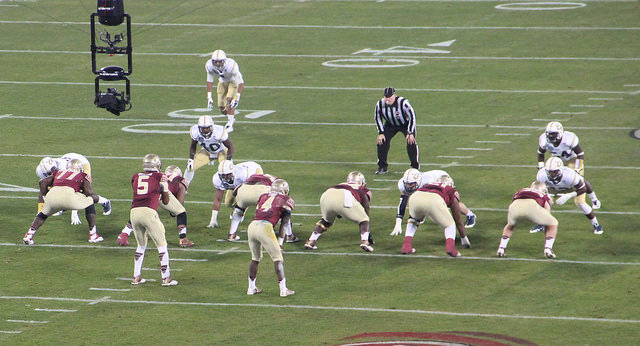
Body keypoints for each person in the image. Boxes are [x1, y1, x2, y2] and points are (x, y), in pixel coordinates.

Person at [23, 159, 109, 245]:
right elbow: (89, 192)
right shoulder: (82, 175)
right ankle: (93, 234)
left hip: (52, 197)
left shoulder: (59, 172)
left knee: (43, 214)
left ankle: (29, 235)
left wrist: (45, 196)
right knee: (89, 201)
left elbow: (42, 182)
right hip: (70, 198)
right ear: (80, 168)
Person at [129, 154, 178, 287]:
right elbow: (166, 201)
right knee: (162, 245)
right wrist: (165, 191)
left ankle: (136, 277)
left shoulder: (136, 176)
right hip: (148, 212)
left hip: (134, 212)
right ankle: (166, 278)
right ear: (157, 165)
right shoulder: (160, 176)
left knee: (140, 245)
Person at [117, 165, 194, 248]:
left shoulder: (160, 176)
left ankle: (124, 234)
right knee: (181, 211)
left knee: (140, 210)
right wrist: (173, 212)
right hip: (164, 192)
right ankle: (183, 239)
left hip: (152, 191)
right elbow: (180, 202)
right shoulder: (181, 180)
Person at [390, 168, 476, 236]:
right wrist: (398, 222)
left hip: (441, 178)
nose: (408, 186)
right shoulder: (404, 185)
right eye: (407, 184)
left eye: (411, 184)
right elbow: (403, 202)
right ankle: (421, 216)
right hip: (428, 185)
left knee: (449, 203)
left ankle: (470, 215)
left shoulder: (427, 181)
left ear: (418, 181)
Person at [246, 179, 295, 297]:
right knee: (278, 258)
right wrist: (280, 242)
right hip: (265, 227)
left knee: (255, 258)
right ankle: (283, 290)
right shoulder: (286, 200)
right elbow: (285, 223)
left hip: (252, 226)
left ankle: (251, 288)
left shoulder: (263, 196)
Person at [401, 174, 471, 257]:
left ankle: (406, 246)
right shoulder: (450, 190)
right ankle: (451, 248)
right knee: (450, 225)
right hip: (434, 199)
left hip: (415, 196)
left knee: (413, 220)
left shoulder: (428, 184)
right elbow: (458, 220)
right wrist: (464, 239)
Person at [304, 171, 374, 252]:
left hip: (326, 195)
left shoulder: (341, 184)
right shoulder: (362, 188)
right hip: (345, 196)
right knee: (364, 219)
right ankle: (365, 242)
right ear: (362, 182)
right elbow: (366, 208)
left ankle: (311, 241)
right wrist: (367, 232)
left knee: (326, 221)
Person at [537, 121, 600, 210]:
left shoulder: (569, 139)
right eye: (549, 134)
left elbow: (580, 153)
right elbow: (540, 153)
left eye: (553, 134)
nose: (550, 136)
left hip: (572, 160)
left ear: (560, 133)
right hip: (556, 161)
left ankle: (594, 199)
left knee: (580, 180)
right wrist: (541, 166)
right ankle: (551, 195)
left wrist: (578, 168)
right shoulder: (544, 140)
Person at [35, 153, 111, 224]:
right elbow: (43, 188)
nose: (52, 173)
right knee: (54, 188)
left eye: (53, 171)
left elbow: (76, 190)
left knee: (86, 192)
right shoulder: (41, 171)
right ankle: (60, 208)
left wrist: (74, 213)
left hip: (80, 164)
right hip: (69, 161)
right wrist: (40, 212)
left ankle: (105, 202)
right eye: (49, 173)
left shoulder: (64, 167)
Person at [536, 157, 603, 234]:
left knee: (580, 203)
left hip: (571, 188)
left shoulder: (570, 176)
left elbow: (583, 188)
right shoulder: (542, 175)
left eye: (554, 171)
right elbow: (540, 189)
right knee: (541, 201)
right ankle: (541, 224)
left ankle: (596, 225)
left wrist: (568, 196)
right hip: (553, 188)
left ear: (560, 169)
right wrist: (546, 195)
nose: (552, 174)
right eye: (550, 172)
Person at [227, 173, 300, 243]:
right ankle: (289, 235)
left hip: (243, 189)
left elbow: (235, 191)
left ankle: (231, 234)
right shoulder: (277, 182)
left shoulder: (253, 176)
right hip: (263, 190)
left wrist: (237, 202)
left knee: (239, 208)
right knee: (282, 210)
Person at [497, 181, 558, 259]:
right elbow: (547, 211)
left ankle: (501, 248)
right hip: (531, 206)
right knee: (553, 223)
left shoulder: (522, 190)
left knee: (510, 225)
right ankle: (548, 249)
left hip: (514, 206)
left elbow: (514, 200)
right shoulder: (544, 195)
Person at [374, 86, 419, 175]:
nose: (388, 100)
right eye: (386, 97)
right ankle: (382, 166)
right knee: (382, 141)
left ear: (394, 96)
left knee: (411, 141)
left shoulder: (403, 103)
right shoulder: (380, 104)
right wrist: (381, 133)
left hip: (405, 124)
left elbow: (412, 117)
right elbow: (377, 118)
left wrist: (410, 132)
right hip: (390, 124)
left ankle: (415, 167)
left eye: (390, 97)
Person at [209, 160, 262, 229]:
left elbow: (246, 192)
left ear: (232, 172)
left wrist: (240, 209)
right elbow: (218, 198)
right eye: (223, 175)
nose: (225, 177)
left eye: (227, 175)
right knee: (228, 203)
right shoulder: (217, 179)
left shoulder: (242, 174)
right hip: (238, 183)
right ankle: (239, 209)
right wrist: (213, 219)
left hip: (254, 173)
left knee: (253, 197)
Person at [184, 115, 234, 186]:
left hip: (221, 152)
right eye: (203, 128)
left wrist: (228, 160)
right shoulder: (195, 131)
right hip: (206, 152)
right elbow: (193, 145)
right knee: (190, 167)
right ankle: (184, 186)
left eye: (207, 128)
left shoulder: (219, 131)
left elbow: (230, 146)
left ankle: (232, 186)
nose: (205, 130)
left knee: (227, 170)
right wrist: (191, 159)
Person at [206, 49, 244, 132]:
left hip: (233, 81)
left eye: (219, 61)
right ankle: (231, 117)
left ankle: (230, 124)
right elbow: (209, 80)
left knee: (229, 100)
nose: (217, 64)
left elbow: (240, 82)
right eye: (215, 62)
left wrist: (237, 97)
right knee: (221, 107)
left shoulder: (231, 66)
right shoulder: (209, 65)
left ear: (224, 61)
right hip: (222, 82)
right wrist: (209, 96)